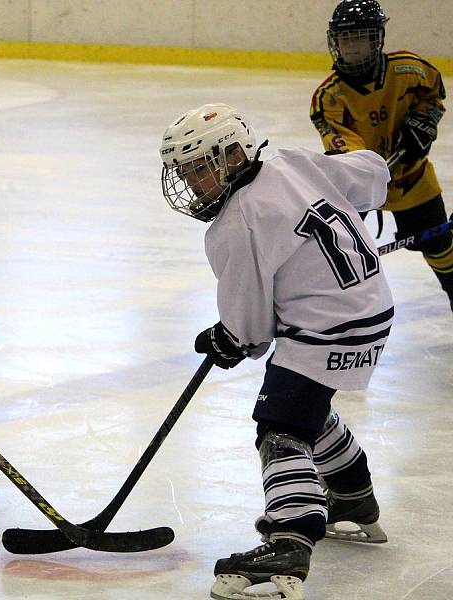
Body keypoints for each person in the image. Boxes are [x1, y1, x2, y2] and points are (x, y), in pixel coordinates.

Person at [160, 103, 391, 600]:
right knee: (309, 408)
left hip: (327, 325)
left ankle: (289, 539)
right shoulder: (290, 161)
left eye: (199, 168)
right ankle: (352, 497)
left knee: (281, 426)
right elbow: (372, 171)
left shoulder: (235, 223)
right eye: (185, 172)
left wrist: (229, 338)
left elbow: (251, 328)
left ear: (233, 155)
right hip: (371, 309)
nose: (193, 184)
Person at [311, 0, 452, 311]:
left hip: (412, 179)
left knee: (443, 251)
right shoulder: (328, 97)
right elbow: (349, 157)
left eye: (360, 38)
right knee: (338, 258)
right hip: (357, 192)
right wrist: (371, 174)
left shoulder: (409, 69)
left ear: (376, 39)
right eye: (346, 39)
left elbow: (434, 94)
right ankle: (340, 314)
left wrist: (424, 121)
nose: (352, 47)